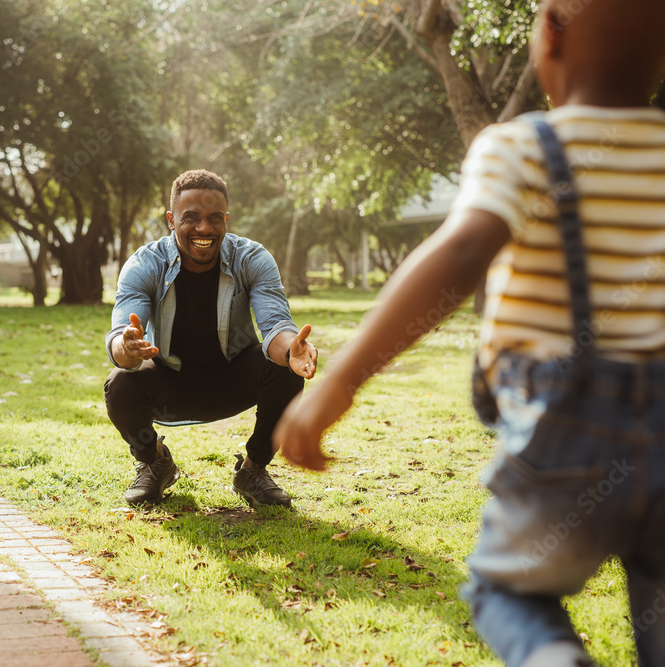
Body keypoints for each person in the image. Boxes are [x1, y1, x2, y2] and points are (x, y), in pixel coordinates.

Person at [273, 1, 665, 665]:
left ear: (550, 35)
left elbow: (458, 259)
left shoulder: (524, 148)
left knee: (507, 592)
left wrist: (338, 381)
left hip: (565, 435)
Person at [104, 169, 318, 509]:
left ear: (227, 220)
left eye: (214, 218)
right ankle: (155, 462)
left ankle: (253, 470)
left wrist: (291, 350)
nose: (204, 228)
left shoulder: (251, 258)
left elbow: (275, 324)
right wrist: (127, 347)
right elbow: (120, 338)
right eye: (191, 218)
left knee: (284, 369)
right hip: (169, 381)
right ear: (171, 220)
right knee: (120, 384)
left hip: (230, 379)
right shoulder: (145, 263)